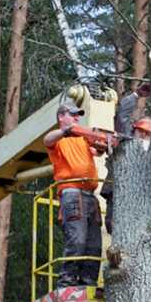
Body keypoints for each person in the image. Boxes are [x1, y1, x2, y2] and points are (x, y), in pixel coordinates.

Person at [44, 103, 102, 288]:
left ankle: (88, 281)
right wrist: (66, 131)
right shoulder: (59, 140)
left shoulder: (83, 139)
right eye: (73, 115)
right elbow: (47, 140)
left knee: (94, 244)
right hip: (72, 193)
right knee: (77, 240)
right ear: (61, 117)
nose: (77, 118)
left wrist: (101, 142)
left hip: (90, 195)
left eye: (78, 115)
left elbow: (97, 149)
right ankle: (67, 281)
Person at [100, 84, 151, 234]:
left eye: (146, 134)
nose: (142, 136)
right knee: (113, 224)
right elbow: (122, 113)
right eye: (141, 132)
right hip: (118, 191)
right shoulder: (125, 139)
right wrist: (136, 95)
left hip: (139, 195)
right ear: (135, 130)